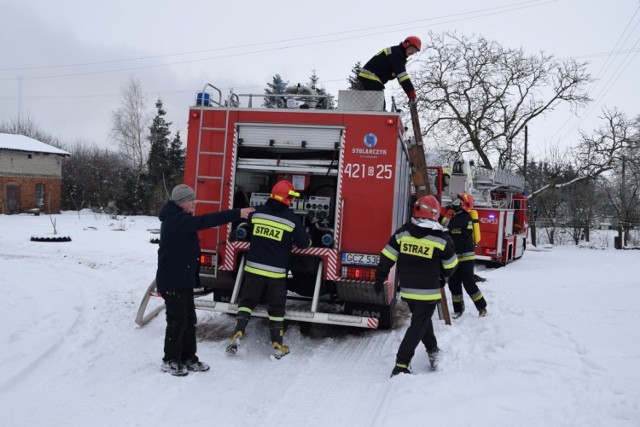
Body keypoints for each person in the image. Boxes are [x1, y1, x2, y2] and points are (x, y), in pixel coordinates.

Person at [156, 183, 253, 376]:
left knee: (188, 319)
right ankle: (170, 360)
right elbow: (206, 221)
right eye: (192, 199)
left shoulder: (180, 218)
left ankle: (188, 358)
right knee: (177, 321)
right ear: (182, 202)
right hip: (173, 281)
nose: (195, 202)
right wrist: (236, 213)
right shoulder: (176, 220)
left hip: (182, 279)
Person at [226, 180, 311, 359]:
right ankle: (277, 345)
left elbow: (245, 224)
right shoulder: (291, 219)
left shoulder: (257, 213)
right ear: (287, 199)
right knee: (276, 309)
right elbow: (304, 244)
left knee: (247, 303)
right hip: (276, 274)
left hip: (253, 270)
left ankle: (238, 333)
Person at [375, 195, 458, 377]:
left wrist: (379, 278)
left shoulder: (403, 233)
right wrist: (442, 276)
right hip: (429, 292)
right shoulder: (441, 238)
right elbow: (451, 267)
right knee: (419, 324)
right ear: (436, 214)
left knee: (422, 321)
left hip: (408, 290)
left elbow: (387, 257)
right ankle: (401, 364)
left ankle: (433, 351)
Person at [443, 193, 488, 318]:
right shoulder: (453, 217)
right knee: (453, 283)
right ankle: (458, 309)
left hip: (466, 256)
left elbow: (446, 226)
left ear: (463, 205)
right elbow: (441, 227)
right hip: (454, 256)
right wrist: (447, 215)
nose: (455, 203)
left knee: (468, 282)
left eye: (458, 201)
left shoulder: (464, 218)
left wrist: (448, 215)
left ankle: (482, 307)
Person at [357, 36, 421, 103]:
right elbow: (403, 77)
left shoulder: (397, 53)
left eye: (415, 51)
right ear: (406, 44)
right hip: (370, 77)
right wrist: (411, 94)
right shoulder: (397, 53)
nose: (412, 53)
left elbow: (399, 77)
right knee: (379, 106)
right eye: (412, 49)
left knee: (378, 106)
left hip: (370, 78)